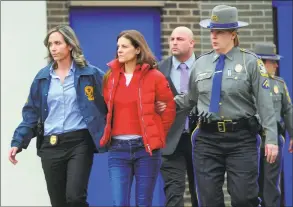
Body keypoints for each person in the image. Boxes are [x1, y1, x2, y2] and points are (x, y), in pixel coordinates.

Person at [174, 5, 279, 207]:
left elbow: (265, 104)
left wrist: (272, 138)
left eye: (219, 32)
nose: (214, 36)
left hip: (241, 139)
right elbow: (190, 99)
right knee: (209, 199)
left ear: (232, 34)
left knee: (243, 198)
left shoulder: (251, 63)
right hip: (207, 139)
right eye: (212, 31)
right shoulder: (201, 64)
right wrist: (164, 104)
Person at [8, 25, 107, 207]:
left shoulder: (90, 74)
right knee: (58, 202)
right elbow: (31, 112)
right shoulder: (42, 78)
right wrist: (18, 142)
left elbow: (115, 96)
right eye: (50, 44)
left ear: (70, 45)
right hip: (50, 146)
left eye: (58, 43)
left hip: (79, 142)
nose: (53, 48)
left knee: (75, 198)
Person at [99, 30, 176, 207]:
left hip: (146, 150)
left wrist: (155, 134)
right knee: (119, 203)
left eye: (125, 46)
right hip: (118, 149)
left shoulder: (155, 76)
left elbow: (169, 109)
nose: (119, 50)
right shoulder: (110, 78)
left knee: (143, 203)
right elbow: (106, 109)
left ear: (138, 50)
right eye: (118, 46)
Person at [158, 26, 198, 207]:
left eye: (180, 39)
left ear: (192, 43)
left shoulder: (206, 66)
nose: (174, 42)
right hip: (171, 140)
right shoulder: (159, 70)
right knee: (173, 193)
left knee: (203, 192)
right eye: (172, 39)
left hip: (202, 137)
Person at [254, 42, 293, 207]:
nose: (276, 65)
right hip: (250, 140)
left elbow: (288, 110)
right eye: (272, 61)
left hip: (274, 140)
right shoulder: (248, 84)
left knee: (271, 184)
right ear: (261, 63)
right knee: (250, 184)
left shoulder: (279, 84)